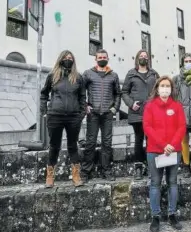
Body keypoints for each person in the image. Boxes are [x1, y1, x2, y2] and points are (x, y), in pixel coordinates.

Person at [143, 76, 186, 232]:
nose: (165, 89)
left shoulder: (177, 106)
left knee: (172, 182)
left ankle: (172, 214)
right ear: (157, 88)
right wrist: (163, 145)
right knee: (155, 183)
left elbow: (181, 127)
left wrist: (172, 145)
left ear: (172, 89)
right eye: (162, 86)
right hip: (155, 151)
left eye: (168, 86)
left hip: (173, 151)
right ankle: (155, 216)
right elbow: (147, 127)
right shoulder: (150, 106)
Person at [40, 50, 86, 188]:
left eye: (70, 58)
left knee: (73, 145)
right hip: (55, 116)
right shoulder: (52, 76)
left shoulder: (78, 77)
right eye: (65, 58)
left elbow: (83, 97)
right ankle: (49, 176)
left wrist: (81, 114)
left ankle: (76, 176)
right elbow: (44, 94)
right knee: (54, 146)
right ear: (60, 59)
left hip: (73, 117)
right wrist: (44, 111)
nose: (68, 59)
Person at [81, 49, 121, 182]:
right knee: (90, 143)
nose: (102, 59)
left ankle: (106, 171)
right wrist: (85, 105)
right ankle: (86, 171)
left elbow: (118, 94)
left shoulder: (113, 75)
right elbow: (81, 91)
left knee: (107, 143)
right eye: (100, 57)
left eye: (104, 57)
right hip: (93, 114)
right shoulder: (88, 74)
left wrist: (115, 108)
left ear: (108, 59)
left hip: (108, 114)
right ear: (95, 59)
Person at [122, 50, 159, 180]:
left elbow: (159, 91)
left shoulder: (154, 74)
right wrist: (131, 104)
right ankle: (138, 167)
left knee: (151, 140)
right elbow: (124, 92)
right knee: (138, 139)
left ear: (148, 59)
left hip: (152, 113)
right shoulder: (131, 74)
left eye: (146, 56)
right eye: (141, 56)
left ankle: (151, 167)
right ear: (137, 58)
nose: (143, 58)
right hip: (136, 112)